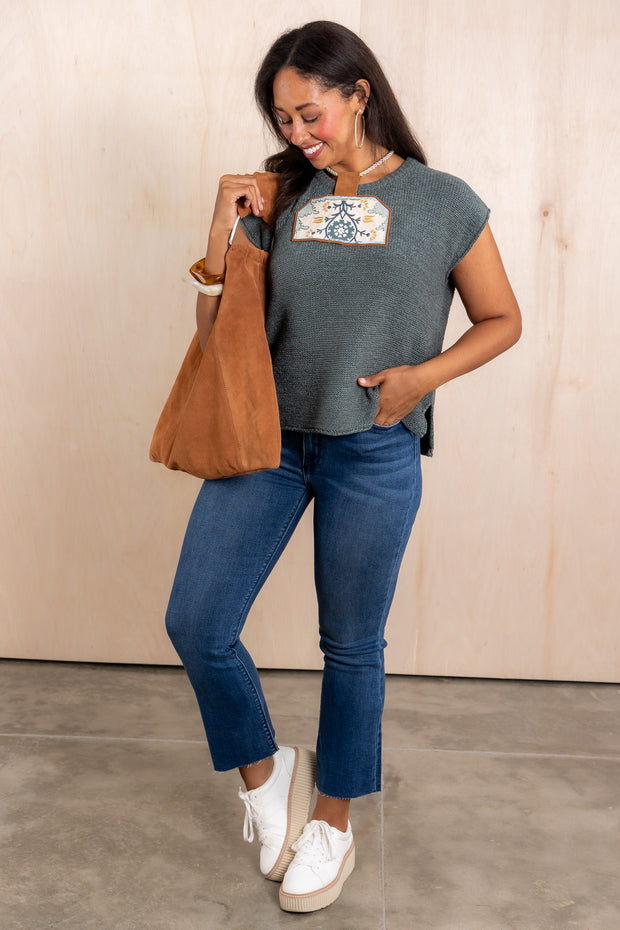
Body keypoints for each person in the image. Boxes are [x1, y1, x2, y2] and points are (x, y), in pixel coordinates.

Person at [165, 20, 521, 914]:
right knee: (198, 621)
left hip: (374, 448)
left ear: (359, 93)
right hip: (267, 441)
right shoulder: (278, 192)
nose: (296, 133)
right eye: (282, 119)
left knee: (352, 646)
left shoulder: (443, 201)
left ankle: (333, 821)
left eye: (309, 113)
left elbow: (501, 319)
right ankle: (267, 778)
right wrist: (220, 236)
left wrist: (422, 380)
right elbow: (217, 336)